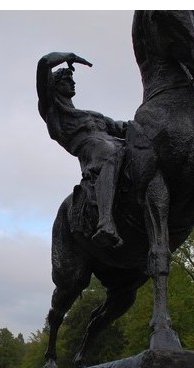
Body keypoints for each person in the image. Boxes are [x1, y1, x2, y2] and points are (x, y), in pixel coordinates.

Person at [37, 52, 127, 247]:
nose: (73, 83)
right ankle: (105, 223)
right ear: (54, 85)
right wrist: (70, 56)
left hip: (111, 141)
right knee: (111, 151)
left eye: (73, 79)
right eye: (68, 79)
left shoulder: (92, 114)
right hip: (91, 149)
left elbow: (121, 128)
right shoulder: (53, 108)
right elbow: (44, 63)